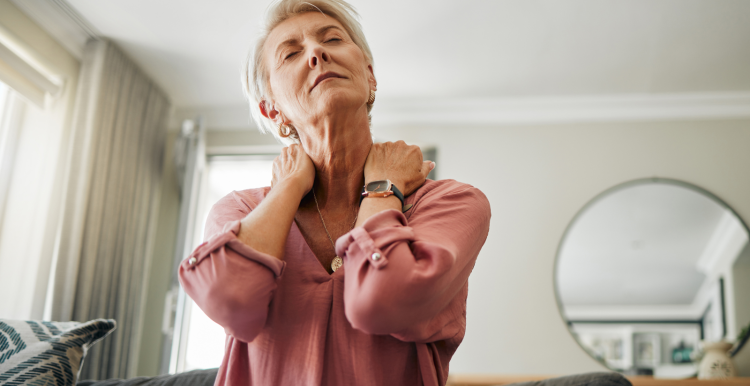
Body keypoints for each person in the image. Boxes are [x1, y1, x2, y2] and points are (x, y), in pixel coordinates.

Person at [178, 0, 491, 385]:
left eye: (332, 39)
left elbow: (380, 303)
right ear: (273, 111)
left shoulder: (451, 203)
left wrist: (382, 190)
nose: (316, 53)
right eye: (291, 53)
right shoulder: (240, 210)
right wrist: (290, 184)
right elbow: (230, 300)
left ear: (370, 75)